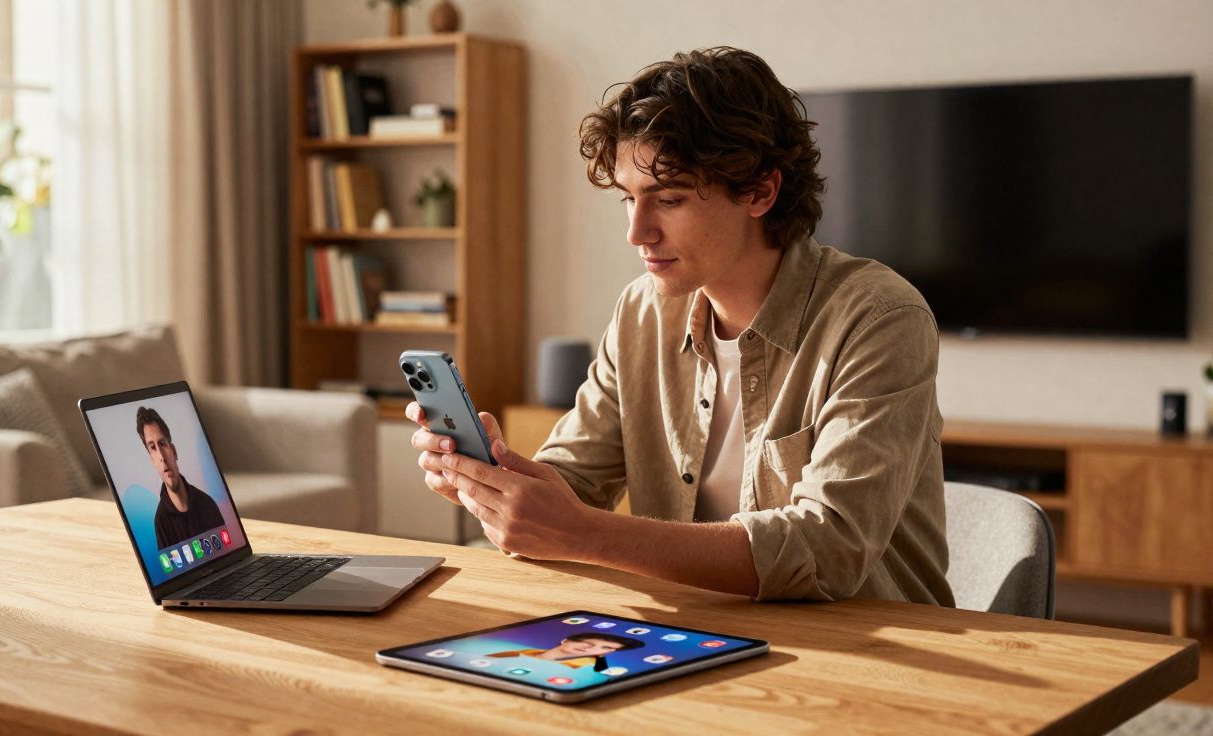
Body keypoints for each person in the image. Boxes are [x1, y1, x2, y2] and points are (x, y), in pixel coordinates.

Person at [407, 47, 953, 606]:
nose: (637, 233)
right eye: (628, 199)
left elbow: (827, 548)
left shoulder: (880, 319)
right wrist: (498, 481)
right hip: (692, 634)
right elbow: (575, 480)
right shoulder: (641, 313)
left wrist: (581, 532)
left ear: (760, 191)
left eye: (668, 199)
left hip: (873, 645)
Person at [137, 406, 226, 550]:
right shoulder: (160, 522)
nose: (162, 457)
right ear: (152, 460)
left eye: (162, 444)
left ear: (173, 451)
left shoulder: (208, 504)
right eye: (153, 447)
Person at [487, 632, 643, 672]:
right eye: (588, 643)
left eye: (606, 648)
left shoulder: (584, 668)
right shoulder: (521, 652)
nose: (588, 648)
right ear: (565, 640)